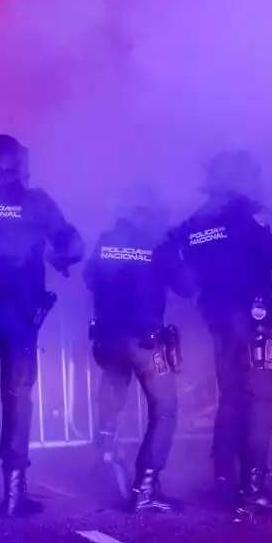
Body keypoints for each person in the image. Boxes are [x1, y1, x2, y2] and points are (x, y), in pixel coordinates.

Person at [0, 134, 83, 516]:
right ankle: (13, 489)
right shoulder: (37, 203)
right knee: (18, 392)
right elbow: (72, 245)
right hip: (18, 312)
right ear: (16, 164)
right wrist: (61, 260)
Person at [172, 151, 272, 514]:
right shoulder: (245, 216)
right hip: (253, 319)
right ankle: (253, 489)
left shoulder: (197, 221)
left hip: (217, 318)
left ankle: (224, 481)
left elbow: (181, 257)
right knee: (259, 402)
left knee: (230, 399)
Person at [84, 185, 193, 512]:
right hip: (145, 341)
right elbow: (186, 287)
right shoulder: (160, 243)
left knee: (114, 383)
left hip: (107, 339)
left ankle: (106, 443)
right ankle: (145, 488)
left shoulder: (108, 239)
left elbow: (90, 278)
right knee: (166, 410)